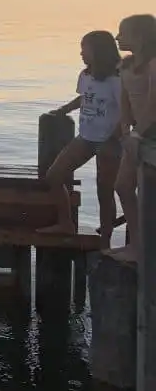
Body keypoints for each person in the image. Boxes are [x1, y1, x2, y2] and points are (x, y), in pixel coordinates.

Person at [37, 31, 122, 245]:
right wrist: (64, 109)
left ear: (99, 50)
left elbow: (126, 112)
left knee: (104, 190)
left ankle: (105, 240)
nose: (81, 53)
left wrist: (114, 138)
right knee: (54, 175)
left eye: (85, 48)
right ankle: (66, 223)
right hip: (86, 137)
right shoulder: (85, 75)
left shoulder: (116, 79)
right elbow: (84, 97)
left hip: (109, 141)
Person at [108, 14, 156, 263]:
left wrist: (137, 135)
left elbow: (153, 105)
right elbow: (126, 102)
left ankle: (145, 247)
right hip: (135, 135)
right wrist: (126, 130)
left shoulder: (153, 64)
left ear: (140, 36)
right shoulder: (125, 66)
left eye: (122, 33)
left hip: (150, 135)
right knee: (123, 186)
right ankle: (137, 245)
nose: (117, 37)